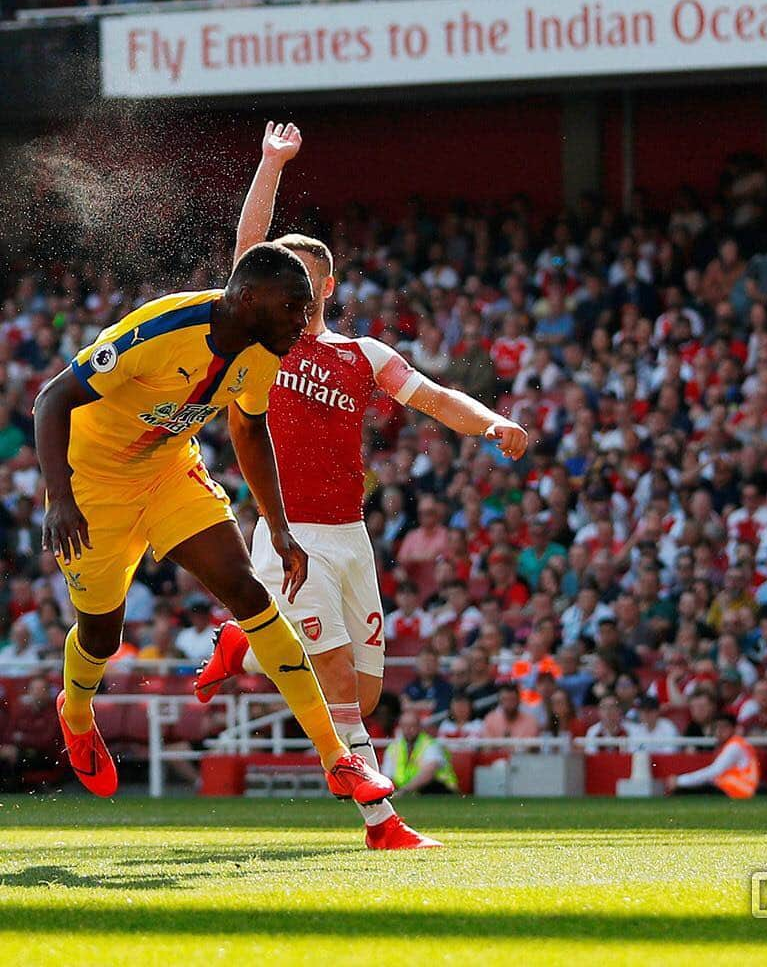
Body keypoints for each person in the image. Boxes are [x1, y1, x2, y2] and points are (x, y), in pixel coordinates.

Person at [197, 121, 527, 848]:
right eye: (279, 272)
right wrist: (272, 163)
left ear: (328, 286)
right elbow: (246, 247)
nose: (292, 283)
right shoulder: (261, 339)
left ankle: (246, 639)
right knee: (340, 682)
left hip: (352, 537)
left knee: (367, 692)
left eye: (307, 275)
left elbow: (437, 398)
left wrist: (492, 421)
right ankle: (382, 823)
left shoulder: (363, 352)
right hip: (295, 533)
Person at [34, 242, 390, 805]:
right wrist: (59, 499)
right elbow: (52, 400)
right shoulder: (162, 331)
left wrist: (277, 526)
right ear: (248, 299)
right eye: (292, 309)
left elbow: (249, 431)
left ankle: (338, 759)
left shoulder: (266, 348)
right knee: (102, 634)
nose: (302, 325)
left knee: (248, 591)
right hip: (93, 490)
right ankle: (75, 713)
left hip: (170, 474)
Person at [663, 713, 761, 798]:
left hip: (736, 791)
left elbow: (714, 771)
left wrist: (679, 781)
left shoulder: (735, 745)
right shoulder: (735, 744)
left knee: (682, 790)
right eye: (717, 727)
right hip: (739, 789)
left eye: (724, 727)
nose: (719, 731)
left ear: (734, 729)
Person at [381, 709, 459, 794]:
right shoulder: (394, 747)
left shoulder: (430, 744)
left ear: (419, 727)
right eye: (405, 726)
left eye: (412, 726)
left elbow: (429, 773)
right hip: (411, 793)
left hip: (441, 791)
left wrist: (404, 791)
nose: (408, 730)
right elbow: (387, 776)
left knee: (431, 786)